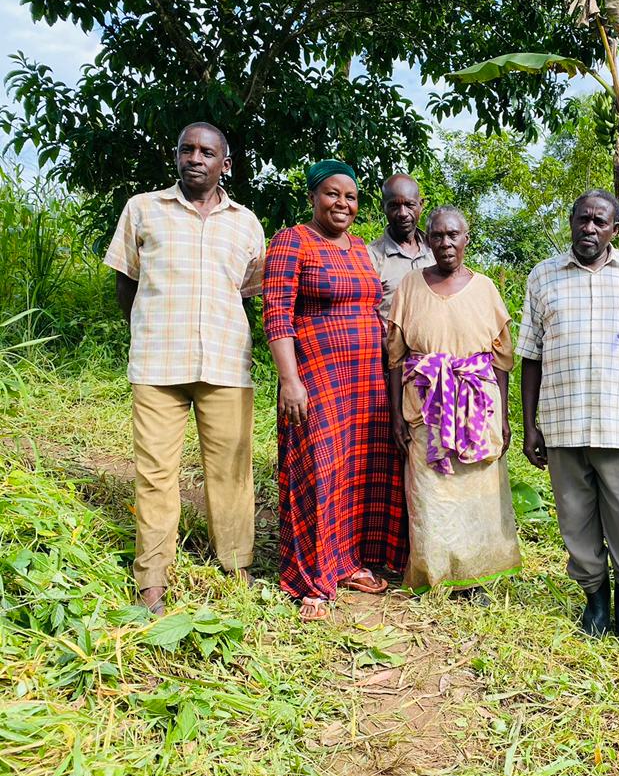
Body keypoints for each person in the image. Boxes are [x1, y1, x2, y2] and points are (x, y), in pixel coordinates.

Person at [104, 122, 264, 615]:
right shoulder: (143, 209)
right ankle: (152, 578)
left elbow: (247, 292)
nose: (195, 157)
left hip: (225, 363)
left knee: (231, 472)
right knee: (155, 473)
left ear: (225, 164)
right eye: (187, 149)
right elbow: (126, 283)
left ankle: (236, 566)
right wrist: (149, 330)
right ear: (176, 157)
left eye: (207, 151)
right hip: (158, 361)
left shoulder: (247, 223)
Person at [518, 189, 619, 658]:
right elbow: (531, 357)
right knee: (576, 522)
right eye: (582, 218)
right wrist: (531, 426)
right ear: (570, 221)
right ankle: (595, 607)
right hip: (563, 425)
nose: (590, 228)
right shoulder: (543, 276)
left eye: (600, 222)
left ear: (614, 228)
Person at [263, 160, 408, 622]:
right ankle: (311, 578)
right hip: (317, 380)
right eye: (332, 193)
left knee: (357, 472)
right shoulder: (292, 241)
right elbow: (277, 314)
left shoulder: (361, 247)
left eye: (350, 196)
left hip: (365, 381)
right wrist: (290, 380)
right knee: (319, 471)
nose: (342, 203)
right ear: (312, 197)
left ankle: (347, 562)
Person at [387, 206, 520, 598]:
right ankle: (434, 571)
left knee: (476, 491)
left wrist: (505, 418)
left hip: (477, 407)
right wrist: (396, 414)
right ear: (427, 241)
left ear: (466, 240)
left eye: (453, 235)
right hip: (424, 405)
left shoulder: (485, 289)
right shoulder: (410, 286)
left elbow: (501, 358)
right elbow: (395, 356)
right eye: (438, 236)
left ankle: (477, 575)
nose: (445, 243)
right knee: (430, 491)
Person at [366, 173, 435, 325]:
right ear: (382, 207)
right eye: (394, 206)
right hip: (390, 347)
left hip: (438, 347)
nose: (403, 213)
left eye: (409, 205)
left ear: (421, 205)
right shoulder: (369, 257)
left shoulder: (436, 250)